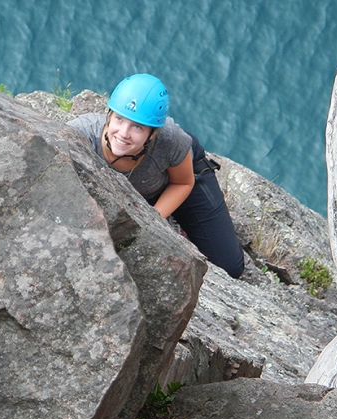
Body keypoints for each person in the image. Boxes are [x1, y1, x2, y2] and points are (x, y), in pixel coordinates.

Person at [67, 73, 245, 278]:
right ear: (109, 114)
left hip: (176, 176)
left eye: (137, 126)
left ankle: (180, 222)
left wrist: (151, 220)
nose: (124, 133)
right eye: (119, 119)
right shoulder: (81, 136)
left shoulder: (170, 142)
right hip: (142, 187)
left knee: (230, 266)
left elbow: (183, 182)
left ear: (152, 133)